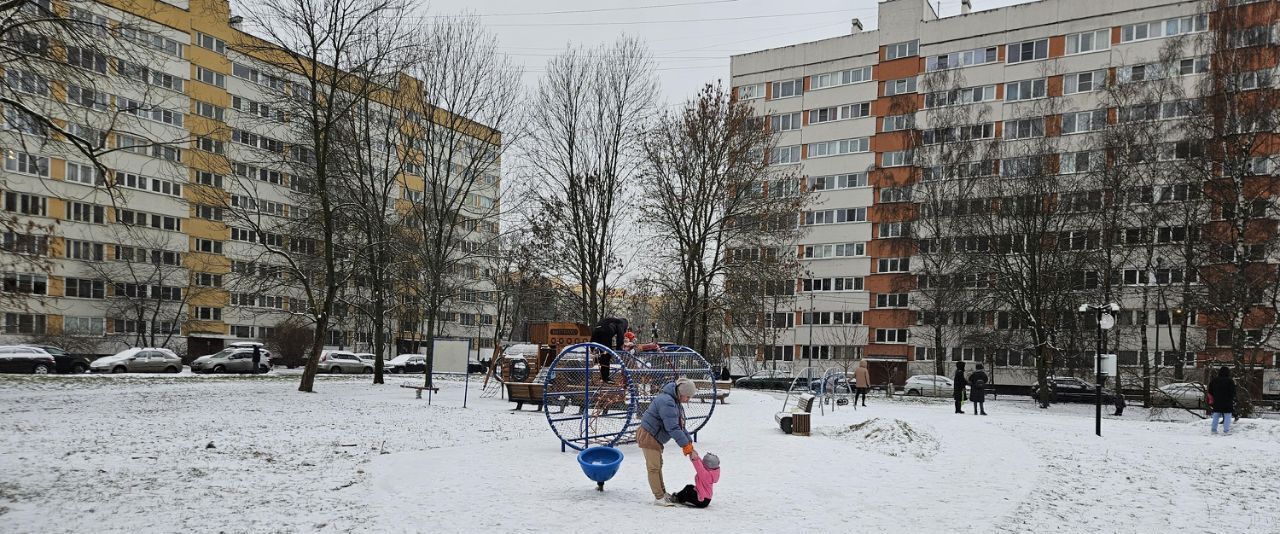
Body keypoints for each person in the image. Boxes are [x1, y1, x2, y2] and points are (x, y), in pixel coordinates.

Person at [637, 378, 697, 506]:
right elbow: (673, 428)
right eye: (687, 397)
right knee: (653, 467)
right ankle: (659, 497)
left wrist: (689, 444)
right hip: (649, 435)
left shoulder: (675, 402)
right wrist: (685, 446)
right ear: (681, 393)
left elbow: (680, 426)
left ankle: (663, 493)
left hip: (655, 436)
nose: (688, 400)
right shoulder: (667, 402)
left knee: (658, 465)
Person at [590, 317, 628, 383]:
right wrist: (619, 348)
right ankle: (605, 377)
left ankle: (596, 355)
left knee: (602, 353)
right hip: (606, 332)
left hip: (595, 331)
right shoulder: (620, 322)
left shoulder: (611, 320)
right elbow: (620, 336)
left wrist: (592, 347)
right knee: (607, 355)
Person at [1208, 366, 1236, 435]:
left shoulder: (1214, 380)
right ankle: (1226, 431)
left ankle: (1213, 430)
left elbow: (1210, 391)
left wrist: (1213, 399)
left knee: (1216, 415)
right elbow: (1233, 392)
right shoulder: (1230, 381)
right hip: (1227, 401)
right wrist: (1232, 398)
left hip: (1217, 401)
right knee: (1227, 416)